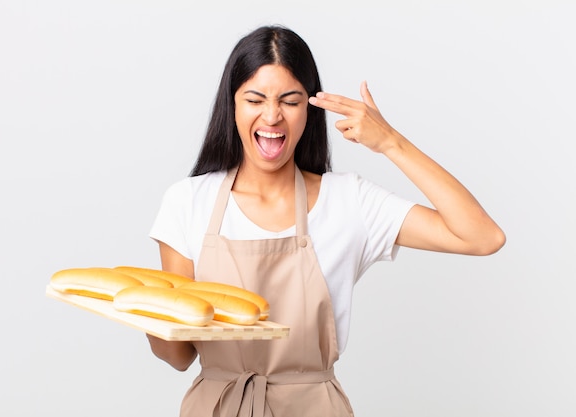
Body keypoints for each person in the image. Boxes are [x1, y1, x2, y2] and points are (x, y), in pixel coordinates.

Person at [147, 25, 505, 417]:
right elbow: (178, 356)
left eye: (290, 100)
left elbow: (481, 237)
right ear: (231, 105)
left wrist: (390, 142)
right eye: (254, 99)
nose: (272, 116)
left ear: (309, 109)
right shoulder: (188, 202)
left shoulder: (348, 201)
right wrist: (149, 314)